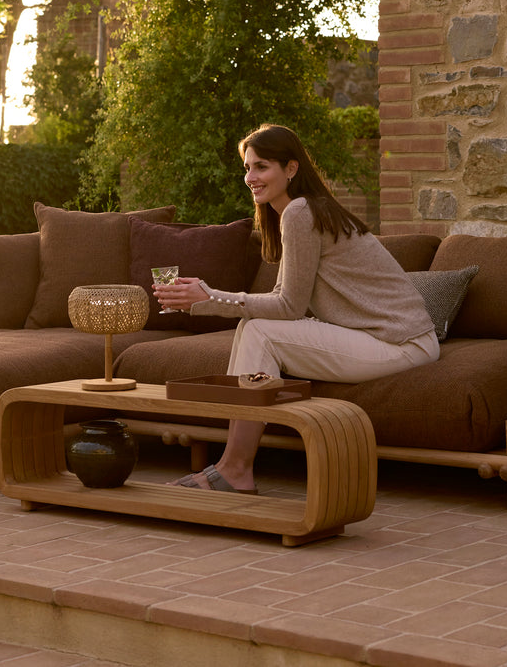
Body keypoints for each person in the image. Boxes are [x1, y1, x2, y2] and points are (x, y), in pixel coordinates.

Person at [152, 123, 439, 493]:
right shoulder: (299, 211)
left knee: (259, 330)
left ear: (291, 168)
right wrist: (211, 298)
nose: (251, 177)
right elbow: (282, 298)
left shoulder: (301, 212)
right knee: (253, 326)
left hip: (400, 344)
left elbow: (288, 307)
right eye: (247, 168)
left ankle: (235, 468)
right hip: (385, 340)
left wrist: (211, 298)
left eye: (261, 166)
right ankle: (231, 465)